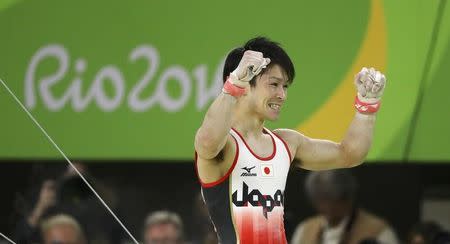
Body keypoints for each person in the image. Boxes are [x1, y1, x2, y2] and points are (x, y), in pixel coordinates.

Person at [194, 37, 386, 243]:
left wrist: (367, 107)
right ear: (244, 83)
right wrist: (232, 85)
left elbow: (350, 155)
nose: (282, 95)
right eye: (274, 84)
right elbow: (206, 142)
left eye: (285, 86)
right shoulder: (226, 145)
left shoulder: (286, 143)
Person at [290, 169, 399, 244]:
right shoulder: (305, 229)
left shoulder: (378, 231)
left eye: (330, 200)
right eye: (320, 200)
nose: (324, 207)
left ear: (347, 199)